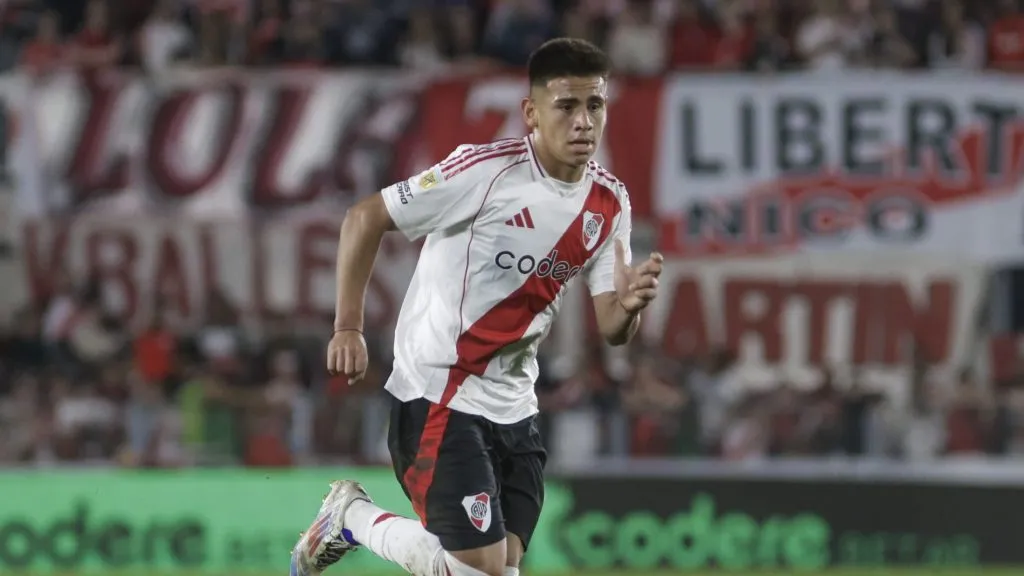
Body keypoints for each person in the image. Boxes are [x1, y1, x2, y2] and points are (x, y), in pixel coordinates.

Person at [289, 37, 664, 576]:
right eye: (566, 106)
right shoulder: (484, 172)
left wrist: (628, 307)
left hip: (516, 404)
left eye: (595, 105)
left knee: (502, 566)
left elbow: (612, 327)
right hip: (439, 391)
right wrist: (347, 326)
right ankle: (351, 518)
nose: (584, 121)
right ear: (532, 113)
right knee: (481, 570)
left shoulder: (610, 202)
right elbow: (364, 218)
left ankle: (350, 517)